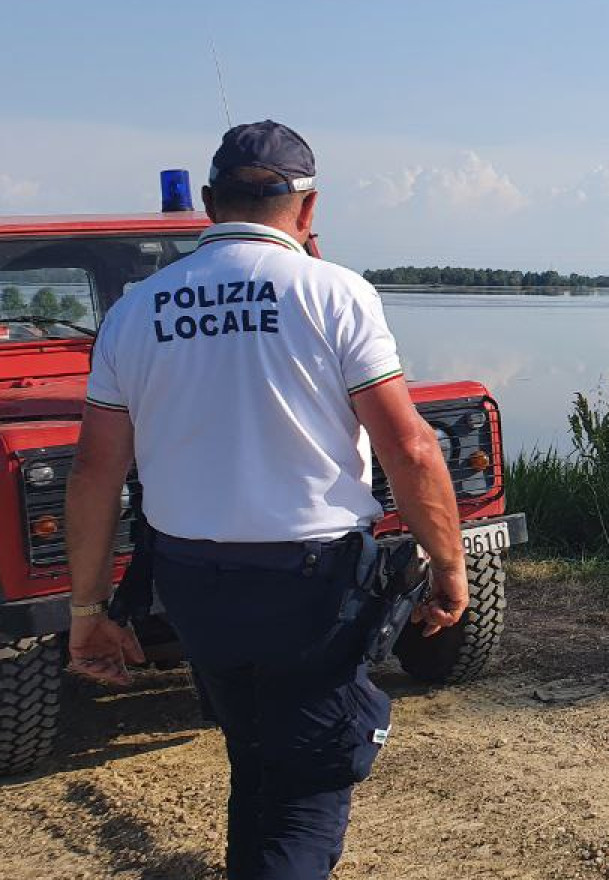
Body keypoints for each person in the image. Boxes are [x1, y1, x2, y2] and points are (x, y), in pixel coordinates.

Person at [63, 120, 470, 880]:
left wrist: (87, 612)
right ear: (308, 209)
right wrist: (449, 567)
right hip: (310, 584)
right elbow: (411, 448)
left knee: (255, 749)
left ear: (209, 202)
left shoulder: (135, 311)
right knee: (307, 783)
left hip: (191, 580)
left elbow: (93, 473)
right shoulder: (334, 292)